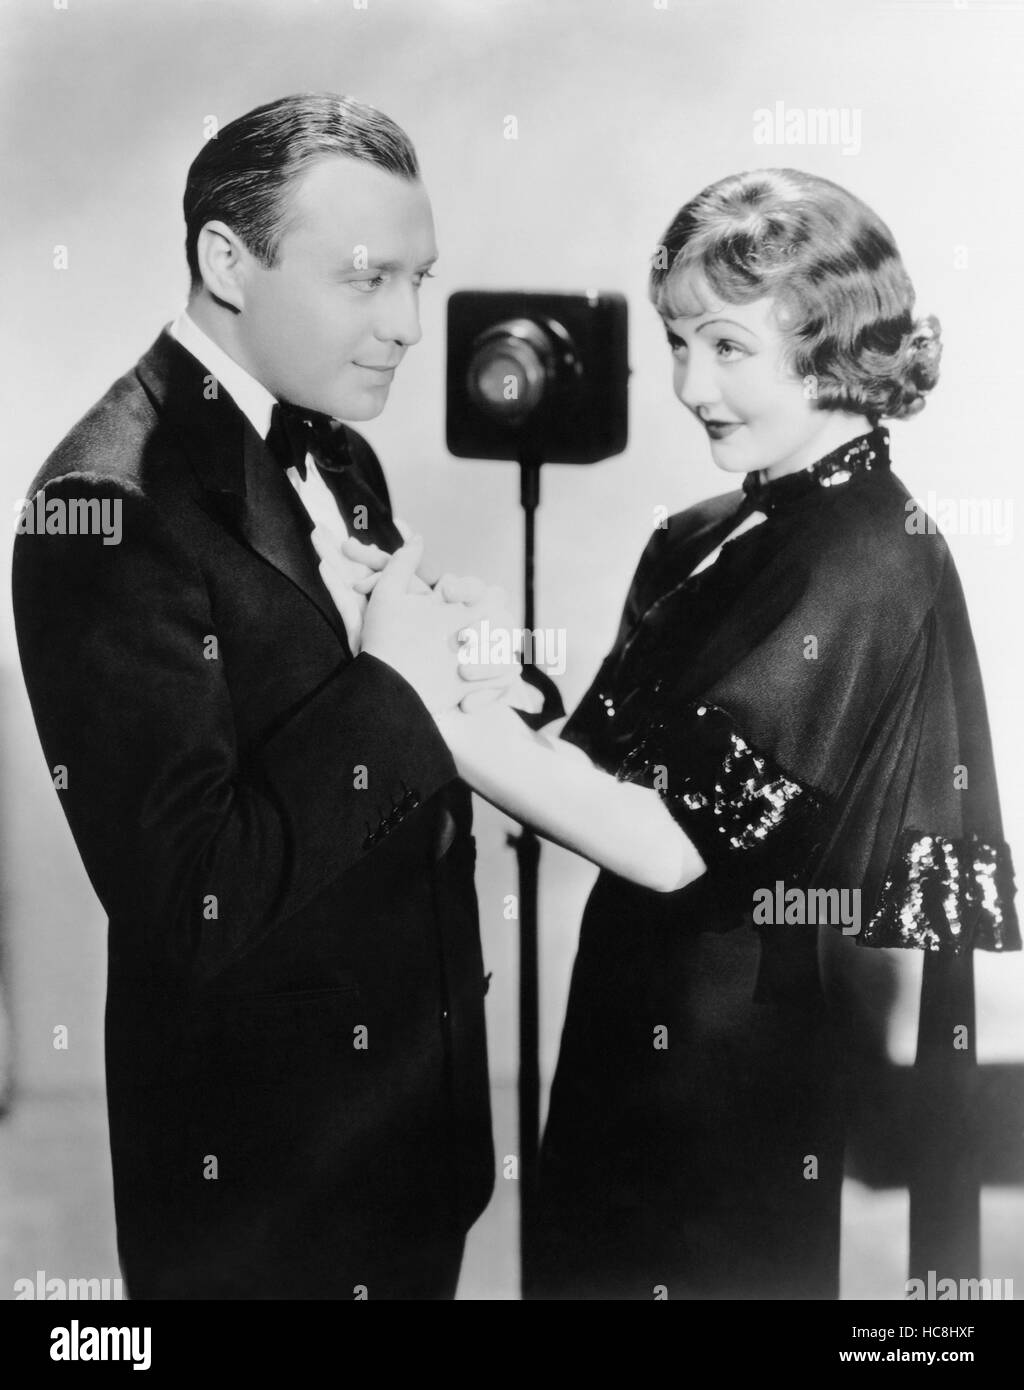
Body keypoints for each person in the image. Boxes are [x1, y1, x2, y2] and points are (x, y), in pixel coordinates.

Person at [374, 168, 1019, 1298]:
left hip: (735, 1068)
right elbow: (604, 768)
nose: (686, 384)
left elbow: (665, 842)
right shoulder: (714, 533)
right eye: (677, 344)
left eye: (724, 347)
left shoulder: (869, 551)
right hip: (640, 1027)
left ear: (832, 340)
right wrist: (469, 665)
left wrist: (417, 701)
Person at [12, 92, 546, 1300]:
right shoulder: (102, 508)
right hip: (261, 1189)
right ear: (225, 262)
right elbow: (193, 893)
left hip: (408, 1139)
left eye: (420, 279)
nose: (410, 325)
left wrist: (462, 669)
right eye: (366, 279)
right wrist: (396, 685)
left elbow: (348, 711)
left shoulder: (328, 446)